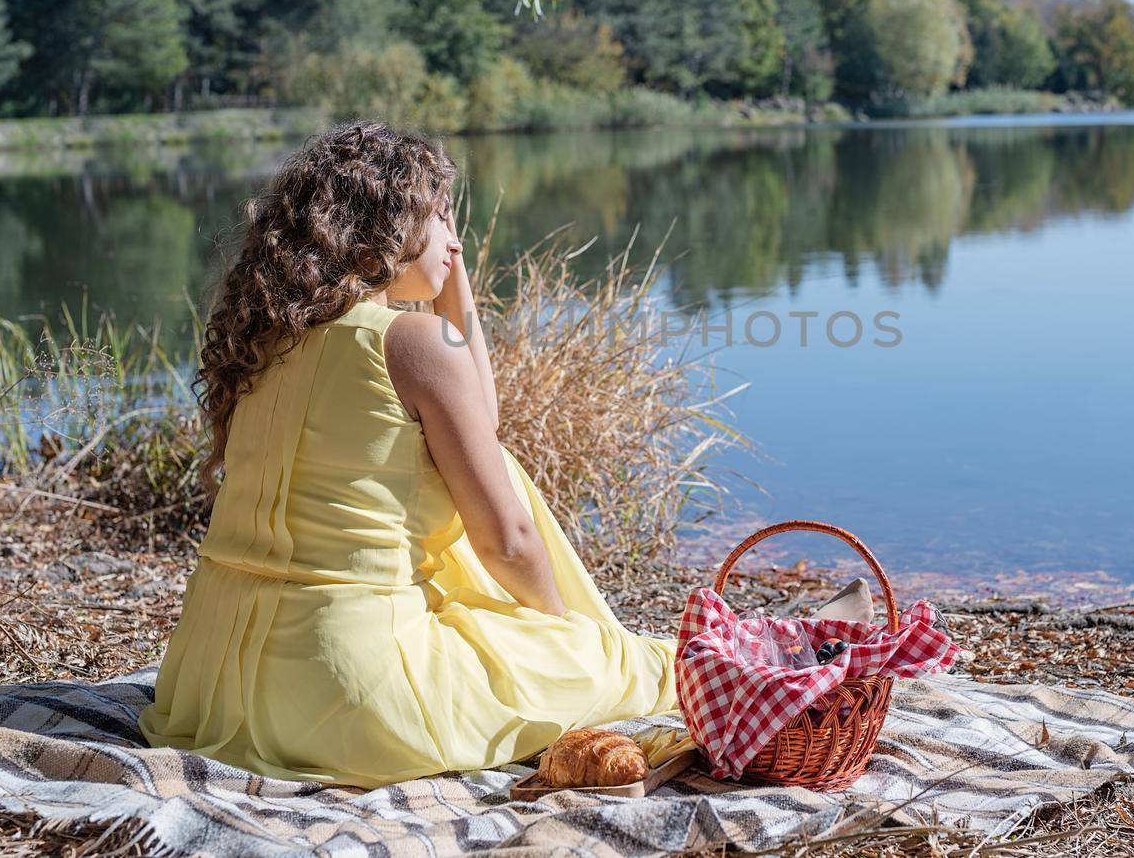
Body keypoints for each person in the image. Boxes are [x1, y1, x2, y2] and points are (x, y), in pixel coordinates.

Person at [138, 120, 872, 787]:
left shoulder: (269, 339)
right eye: (439, 217)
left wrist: (448, 278)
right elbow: (509, 538)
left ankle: (789, 635)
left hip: (209, 685)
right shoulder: (411, 342)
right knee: (628, 664)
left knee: (487, 508)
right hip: (347, 695)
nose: (454, 236)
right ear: (379, 236)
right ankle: (797, 650)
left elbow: (477, 421)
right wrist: (566, 636)